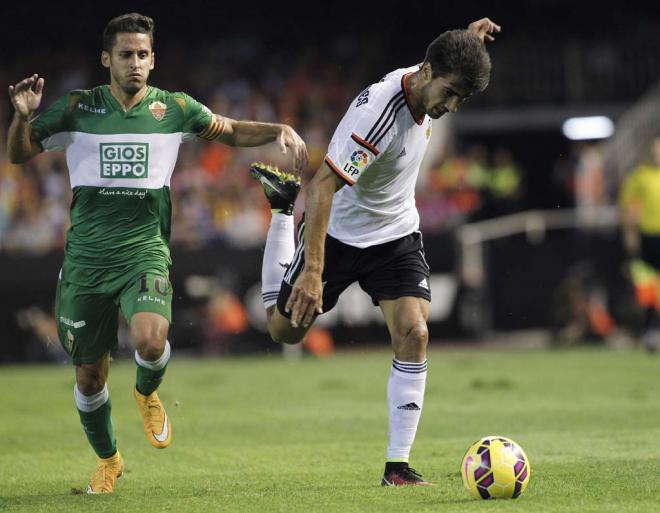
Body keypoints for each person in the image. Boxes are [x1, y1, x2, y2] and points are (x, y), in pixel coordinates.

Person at [6, 13, 307, 494]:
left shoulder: (175, 109)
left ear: (153, 59)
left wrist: (277, 128)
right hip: (86, 263)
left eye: (143, 55)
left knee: (150, 339)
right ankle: (108, 460)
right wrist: (22, 116)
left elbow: (228, 130)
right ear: (107, 59)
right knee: (88, 375)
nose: (136, 64)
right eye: (126, 54)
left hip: (144, 251)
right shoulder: (77, 108)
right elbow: (19, 155)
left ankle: (146, 392)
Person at [250, 17, 499, 486]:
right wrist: (312, 271)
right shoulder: (378, 117)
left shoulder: (430, 76)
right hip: (338, 234)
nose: (451, 106)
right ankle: (281, 213)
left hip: (395, 233)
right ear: (426, 72)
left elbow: (447, 57)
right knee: (284, 332)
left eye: (460, 99)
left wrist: (469, 39)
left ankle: (397, 467)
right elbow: (322, 188)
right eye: (449, 94)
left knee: (415, 333)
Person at [619, 137, 660, 352]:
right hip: (648, 238)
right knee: (647, 290)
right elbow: (630, 210)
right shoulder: (639, 177)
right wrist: (630, 238)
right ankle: (649, 332)